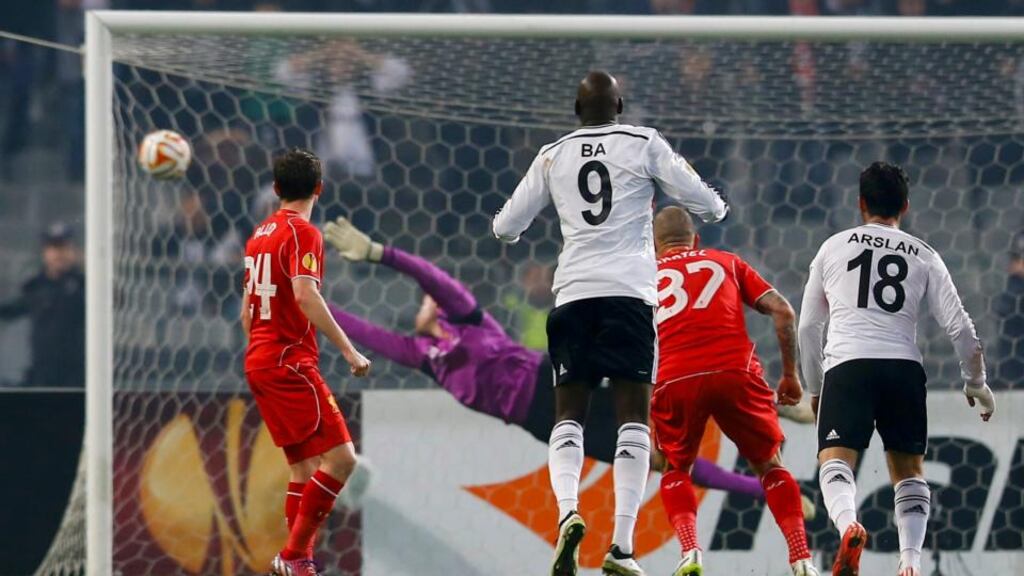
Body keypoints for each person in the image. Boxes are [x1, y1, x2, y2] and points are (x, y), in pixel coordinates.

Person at [321, 216, 800, 507]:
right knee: (659, 458)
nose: (431, 299)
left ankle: (776, 406)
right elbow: (368, 335)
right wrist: (313, 305)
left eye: (433, 299)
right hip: (542, 423)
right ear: (417, 318)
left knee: (662, 390)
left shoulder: (468, 319)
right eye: (425, 302)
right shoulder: (424, 357)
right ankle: (763, 489)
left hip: (556, 381)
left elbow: (435, 277)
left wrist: (381, 255)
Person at [492, 71, 729, 576]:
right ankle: (621, 545)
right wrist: (716, 206)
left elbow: (506, 227)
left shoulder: (552, 155)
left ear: (576, 111)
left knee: (568, 416)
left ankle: (568, 513)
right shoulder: (643, 143)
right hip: (629, 296)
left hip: (573, 295)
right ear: (620, 106)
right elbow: (704, 203)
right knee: (633, 420)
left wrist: (529, 223)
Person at [798, 162, 996, 576]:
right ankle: (910, 562)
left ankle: (849, 526)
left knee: (835, 461)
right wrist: (975, 382)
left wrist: (816, 388)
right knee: (908, 472)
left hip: (848, 365)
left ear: (860, 203)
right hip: (903, 368)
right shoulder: (924, 254)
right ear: (905, 206)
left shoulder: (833, 247)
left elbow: (809, 327)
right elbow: (961, 327)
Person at [649, 207, 816, 576]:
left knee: (675, 467)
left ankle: (690, 552)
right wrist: (790, 376)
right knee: (770, 466)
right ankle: (801, 558)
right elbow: (784, 312)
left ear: (654, 245)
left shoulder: (643, 276)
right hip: (735, 371)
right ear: (695, 240)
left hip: (676, 376)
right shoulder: (726, 261)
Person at [241, 149, 371, 576]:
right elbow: (304, 294)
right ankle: (295, 555)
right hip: (288, 362)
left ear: (276, 188)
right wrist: (349, 350)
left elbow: (246, 313)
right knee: (343, 460)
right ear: (319, 188)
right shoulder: (303, 233)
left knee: (303, 468)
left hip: (259, 360)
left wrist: (264, 350)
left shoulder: (259, 235)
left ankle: (297, 562)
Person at [0, 222, 85, 388]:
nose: (59, 254)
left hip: (77, 377)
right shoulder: (36, 288)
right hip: (43, 375)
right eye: (54, 248)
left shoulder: (85, 287)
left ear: (73, 252)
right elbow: (12, 309)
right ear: (45, 252)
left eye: (64, 248)